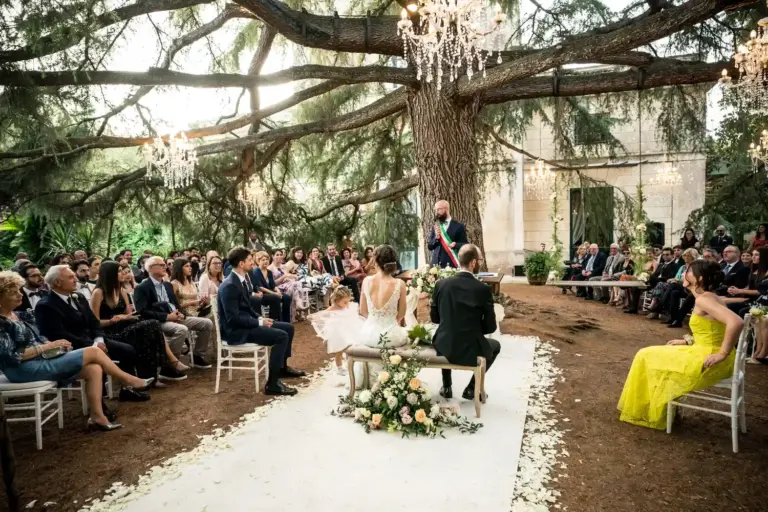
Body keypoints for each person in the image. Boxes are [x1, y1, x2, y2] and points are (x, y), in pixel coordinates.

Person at [0, 271, 153, 431]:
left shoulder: (19, 315)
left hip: (41, 359)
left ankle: (97, 417)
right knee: (93, 353)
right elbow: (11, 356)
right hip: (22, 369)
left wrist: (54, 344)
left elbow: (40, 337)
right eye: (14, 292)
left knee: (94, 368)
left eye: (19, 290)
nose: (20, 295)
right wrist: (47, 347)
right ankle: (128, 380)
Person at [617, 260, 743, 430]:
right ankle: (661, 408)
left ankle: (653, 410)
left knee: (645, 355)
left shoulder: (704, 300)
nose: (684, 273)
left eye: (688, 271)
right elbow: (711, 330)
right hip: (703, 349)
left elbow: (736, 322)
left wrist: (722, 353)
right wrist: (687, 341)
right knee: (655, 353)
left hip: (710, 358)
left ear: (698, 279)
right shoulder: (709, 297)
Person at [34, 265, 150, 402]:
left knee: (127, 350)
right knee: (95, 365)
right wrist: (93, 345)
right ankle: (100, 405)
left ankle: (127, 390)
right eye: (71, 277)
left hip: (94, 340)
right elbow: (59, 334)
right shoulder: (46, 305)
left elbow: (94, 322)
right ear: (58, 282)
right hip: (72, 347)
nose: (75, 279)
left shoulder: (79, 297)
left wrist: (99, 339)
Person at [217, 247, 305, 396]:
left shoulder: (243, 280)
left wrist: (260, 318)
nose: (253, 262)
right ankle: (272, 384)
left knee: (288, 328)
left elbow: (248, 308)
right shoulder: (229, 285)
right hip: (236, 331)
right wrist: (258, 323)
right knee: (281, 336)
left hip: (248, 323)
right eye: (250, 260)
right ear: (241, 263)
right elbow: (233, 319)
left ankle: (282, 368)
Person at [91, 261, 187, 383]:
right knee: (150, 326)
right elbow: (94, 323)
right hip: (109, 332)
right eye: (119, 271)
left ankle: (152, 376)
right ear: (110, 274)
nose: (123, 273)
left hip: (124, 327)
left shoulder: (122, 291)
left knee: (151, 325)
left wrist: (126, 317)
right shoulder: (98, 293)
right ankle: (170, 363)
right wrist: (112, 320)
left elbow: (128, 315)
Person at [431, 244, 500, 401]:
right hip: (470, 344)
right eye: (481, 260)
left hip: (445, 342)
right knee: (495, 346)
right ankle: (471, 388)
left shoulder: (441, 284)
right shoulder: (483, 289)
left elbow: (435, 318)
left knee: (445, 335)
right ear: (474, 262)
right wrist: (471, 330)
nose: (481, 263)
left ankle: (446, 386)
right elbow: (490, 326)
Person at [134, 256, 213, 369]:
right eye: (161, 265)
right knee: (181, 329)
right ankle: (169, 366)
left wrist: (180, 313)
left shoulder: (167, 285)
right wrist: (167, 316)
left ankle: (197, 356)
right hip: (158, 322)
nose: (164, 266)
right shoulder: (142, 288)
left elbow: (175, 304)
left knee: (207, 323)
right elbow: (143, 311)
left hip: (176, 317)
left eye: (164, 264)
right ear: (150, 268)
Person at [308, 286, 356, 375]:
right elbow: (322, 314)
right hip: (337, 332)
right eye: (345, 302)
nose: (347, 304)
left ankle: (350, 364)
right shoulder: (333, 308)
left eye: (348, 301)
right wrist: (315, 318)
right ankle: (339, 367)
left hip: (346, 330)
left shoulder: (346, 305)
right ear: (337, 300)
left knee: (350, 346)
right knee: (339, 351)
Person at [268, 249, 308, 322]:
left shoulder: (284, 266)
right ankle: (298, 308)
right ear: (272, 256)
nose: (279, 256)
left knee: (296, 283)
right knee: (294, 285)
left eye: (281, 255)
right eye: (277, 255)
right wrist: (283, 277)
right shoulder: (270, 268)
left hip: (288, 285)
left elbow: (287, 276)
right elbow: (273, 283)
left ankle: (293, 315)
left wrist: (290, 277)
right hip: (278, 288)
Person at [252, 251, 292, 323]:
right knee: (275, 298)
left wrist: (278, 291)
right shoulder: (256, 272)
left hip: (271, 292)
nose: (265, 261)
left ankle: (286, 321)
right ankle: (274, 321)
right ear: (258, 261)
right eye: (263, 260)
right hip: (262, 294)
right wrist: (274, 294)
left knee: (286, 298)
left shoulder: (269, 272)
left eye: (267, 259)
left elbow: (273, 285)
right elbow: (261, 287)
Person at [427, 200, 468, 268]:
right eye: (436, 210)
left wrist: (455, 245)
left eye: (438, 209)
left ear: (446, 209)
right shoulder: (436, 226)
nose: (437, 212)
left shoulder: (458, 226)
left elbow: (465, 245)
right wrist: (436, 238)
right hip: (435, 266)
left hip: (451, 265)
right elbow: (430, 246)